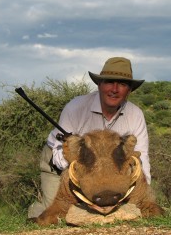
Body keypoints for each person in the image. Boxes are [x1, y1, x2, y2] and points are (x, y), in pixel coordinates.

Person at [28, 56, 151, 218]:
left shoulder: (135, 114)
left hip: (105, 167)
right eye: (109, 82)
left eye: (122, 84)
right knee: (55, 212)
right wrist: (80, 160)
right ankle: (34, 216)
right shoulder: (75, 108)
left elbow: (142, 158)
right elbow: (59, 156)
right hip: (59, 163)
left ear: (129, 90)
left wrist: (143, 193)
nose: (114, 89)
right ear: (99, 85)